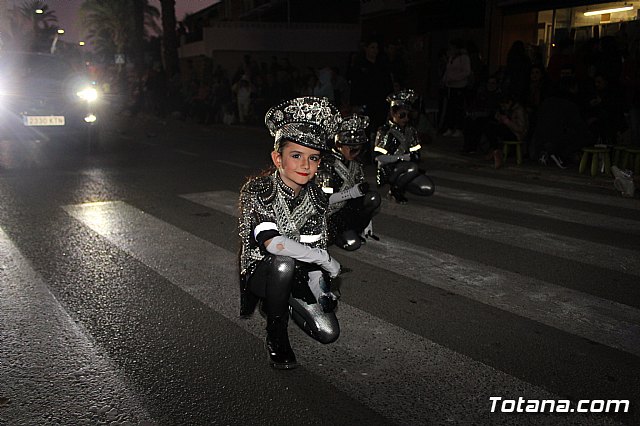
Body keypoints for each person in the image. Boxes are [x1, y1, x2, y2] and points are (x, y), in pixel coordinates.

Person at [238, 96, 343, 370]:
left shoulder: (318, 198)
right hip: (263, 269)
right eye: (296, 155)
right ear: (277, 158)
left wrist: (322, 290)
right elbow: (273, 244)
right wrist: (322, 257)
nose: (305, 165)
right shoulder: (259, 190)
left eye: (313, 158)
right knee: (282, 264)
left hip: (299, 271)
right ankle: (276, 333)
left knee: (328, 333)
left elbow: (313, 247)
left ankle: (283, 300)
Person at [316, 114, 381, 251]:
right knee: (353, 244)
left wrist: (368, 223)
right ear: (339, 145)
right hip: (330, 215)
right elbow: (324, 200)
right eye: (352, 148)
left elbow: (363, 194)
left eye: (359, 148)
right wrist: (351, 193)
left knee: (373, 197)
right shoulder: (327, 164)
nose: (356, 152)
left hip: (349, 209)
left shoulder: (356, 164)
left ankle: (356, 229)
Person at [374, 89, 436, 203]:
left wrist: (413, 156)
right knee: (412, 167)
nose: (406, 118)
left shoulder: (411, 130)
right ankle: (395, 190)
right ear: (393, 113)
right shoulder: (384, 130)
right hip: (389, 168)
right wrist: (400, 158)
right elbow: (379, 158)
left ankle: (402, 184)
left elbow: (416, 153)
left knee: (428, 188)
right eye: (402, 115)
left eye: (408, 115)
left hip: (408, 167)